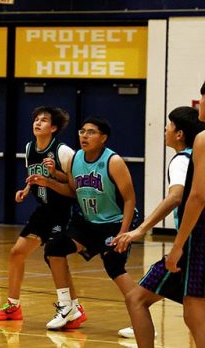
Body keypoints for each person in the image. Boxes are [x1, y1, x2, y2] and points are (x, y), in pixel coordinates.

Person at [0, 106, 87, 328]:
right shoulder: (29, 148)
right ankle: (13, 306)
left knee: (54, 257)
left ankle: (75, 307)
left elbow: (74, 187)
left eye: (43, 120)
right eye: (36, 119)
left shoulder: (64, 152)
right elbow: (34, 176)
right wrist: (25, 190)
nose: (37, 123)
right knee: (17, 253)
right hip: (43, 211)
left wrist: (54, 174)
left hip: (64, 211)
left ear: (53, 128)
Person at [41, 116, 139, 330]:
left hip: (114, 222)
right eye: (82, 131)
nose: (85, 136)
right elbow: (72, 191)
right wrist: (48, 181)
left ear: (103, 137)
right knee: (54, 248)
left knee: (114, 267)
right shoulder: (76, 159)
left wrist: (124, 233)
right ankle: (68, 307)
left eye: (91, 132)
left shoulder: (113, 161)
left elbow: (130, 198)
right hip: (87, 222)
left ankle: (141, 319)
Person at [116, 106, 203, 345]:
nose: (165, 128)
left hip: (192, 245)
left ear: (179, 134)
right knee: (191, 312)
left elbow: (177, 196)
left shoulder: (183, 160)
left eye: (169, 124)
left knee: (138, 299)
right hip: (192, 244)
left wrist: (141, 229)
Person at [163, 82, 205, 347]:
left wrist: (178, 245)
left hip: (201, 233)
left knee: (194, 304)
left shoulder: (203, 139)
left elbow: (197, 196)